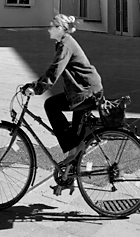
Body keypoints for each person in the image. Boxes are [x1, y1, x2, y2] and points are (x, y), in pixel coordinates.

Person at [23, 14, 103, 162]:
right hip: (85, 90)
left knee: (51, 105)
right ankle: (71, 169)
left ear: (60, 28)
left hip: (86, 92)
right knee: (75, 137)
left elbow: (55, 70)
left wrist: (37, 89)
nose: (48, 30)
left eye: (51, 26)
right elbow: (53, 70)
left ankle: (73, 153)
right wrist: (36, 83)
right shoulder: (65, 42)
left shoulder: (66, 45)